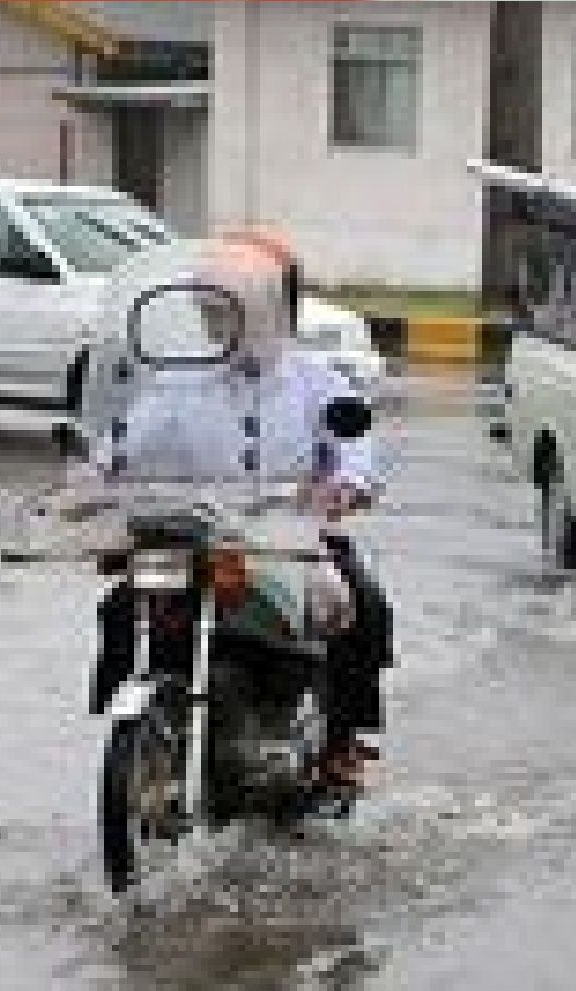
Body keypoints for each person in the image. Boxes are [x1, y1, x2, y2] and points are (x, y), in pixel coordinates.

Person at [80, 232, 395, 791]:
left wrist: (343, 486)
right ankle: (148, 714)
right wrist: (91, 483)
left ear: (275, 310)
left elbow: (357, 449)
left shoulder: (318, 384)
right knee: (128, 599)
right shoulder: (176, 384)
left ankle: (342, 743)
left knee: (363, 602)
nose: (216, 321)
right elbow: (123, 446)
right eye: (208, 307)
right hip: (194, 537)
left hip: (286, 541)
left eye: (230, 307)